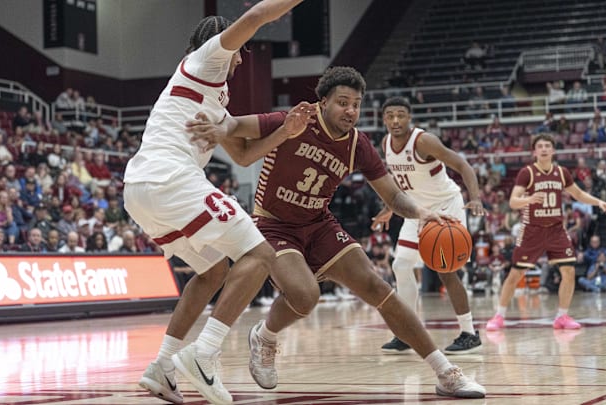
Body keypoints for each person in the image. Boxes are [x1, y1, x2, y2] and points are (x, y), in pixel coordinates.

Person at [194, 66, 486, 398]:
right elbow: (237, 126)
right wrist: (220, 128)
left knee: (378, 286)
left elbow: (392, 196)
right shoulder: (293, 120)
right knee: (305, 295)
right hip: (274, 224)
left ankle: (444, 371)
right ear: (322, 102)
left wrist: (421, 212)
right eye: (342, 102)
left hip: (318, 223)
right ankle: (266, 336)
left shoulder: (357, 145)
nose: (350, 111)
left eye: (356, 104)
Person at [123, 1, 308, 404]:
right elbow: (258, 16)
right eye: (241, 51)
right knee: (261, 254)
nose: (242, 61)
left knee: (212, 270)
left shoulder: (211, 92)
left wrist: (286, 133)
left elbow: (241, 155)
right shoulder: (206, 59)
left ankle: (163, 366)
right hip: (170, 178)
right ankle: (204, 353)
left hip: (141, 188)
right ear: (226, 44)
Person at [370, 96, 485, 355]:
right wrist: (389, 209)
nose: (395, 120)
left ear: (410, 117)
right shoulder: (385, 143)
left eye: (401, 115)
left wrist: (475, 197)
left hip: (446, 206)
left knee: (446, 270)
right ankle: (406, 333)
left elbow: (462, 164)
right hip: (415, 210)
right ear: (384, 119)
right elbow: (401, 182)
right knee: (400, 265)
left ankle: (469, 333)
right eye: (390, 116)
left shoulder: (424, 141)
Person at [486, 133, 606, 331]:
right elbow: (512, 201)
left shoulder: (561, 173)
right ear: (534, 151)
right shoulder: (526, 173)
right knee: (515, 273)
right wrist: (529, 200)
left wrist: (599, 202)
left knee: (568, 271)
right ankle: (499, 316)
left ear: (553, 150)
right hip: (532, 230)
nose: (544, 149)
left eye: (547, 146)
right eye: (540, 146)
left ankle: (562, 316)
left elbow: (578, 194)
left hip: (556, 230)